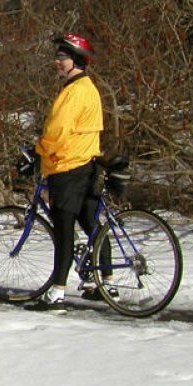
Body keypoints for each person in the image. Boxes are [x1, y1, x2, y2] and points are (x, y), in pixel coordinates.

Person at [32, 34, 109, 307]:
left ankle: (57, 292)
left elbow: (57, 132)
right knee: (91, 223)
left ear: (75, 61)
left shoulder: (73, 93)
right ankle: (106, 283)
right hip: (87, 164)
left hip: (66, 166)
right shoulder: (89, 88)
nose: (57, 62)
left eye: (62, 57)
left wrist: (37, 149)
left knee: (64, 229)